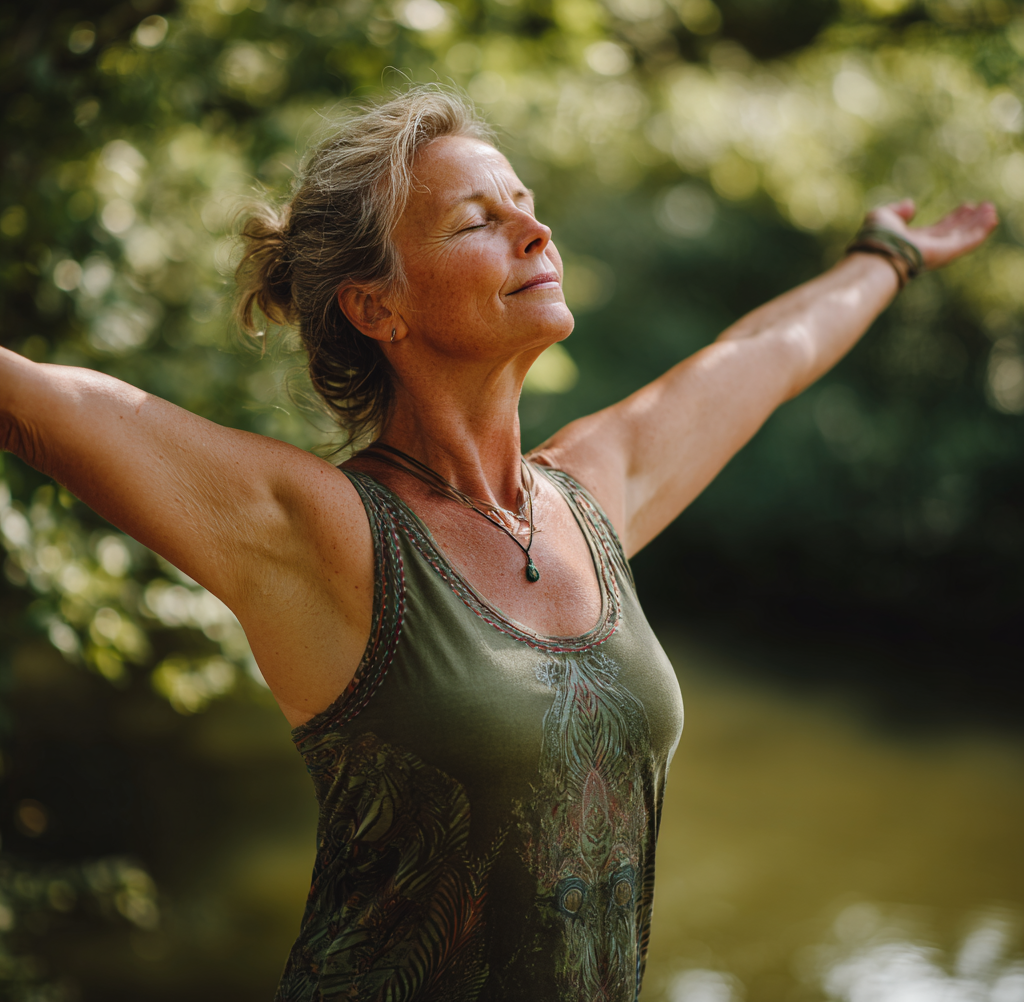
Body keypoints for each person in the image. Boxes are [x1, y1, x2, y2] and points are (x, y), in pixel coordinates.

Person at [0, 86, 997, 1001]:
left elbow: (760, 358)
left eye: (525, 201)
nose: (536, 229)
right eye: (481, 221)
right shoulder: (328, 538)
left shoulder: (588, 498)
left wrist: (882, 256)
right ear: (375, 305)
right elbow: (56, 403)